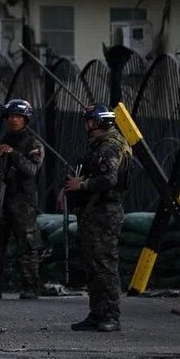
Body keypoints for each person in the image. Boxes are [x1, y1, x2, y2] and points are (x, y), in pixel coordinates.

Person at [64, 103, 131, 333]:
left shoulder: (110, 146)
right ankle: (97, 313)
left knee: (104, 265)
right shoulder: (98, 146)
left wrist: (81, 184)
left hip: (105, 212)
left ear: (98, 121)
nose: (87, 125)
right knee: (93, 265)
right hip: (92, 212)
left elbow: (109, 179)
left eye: (90, 121)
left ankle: (110, 315)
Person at [0, 99, 45, 300]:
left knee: (27, 244)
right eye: (11, 116)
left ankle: (31, 287)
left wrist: (13, 153)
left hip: (23, 201)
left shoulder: (33, 144)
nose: (14, 120)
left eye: (18, 117)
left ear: (26, 119)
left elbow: (31, 170)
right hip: (1, 199)